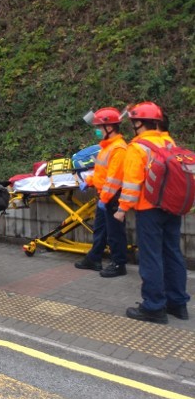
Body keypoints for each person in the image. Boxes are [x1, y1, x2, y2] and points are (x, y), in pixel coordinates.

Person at [115, 102, 190, 324]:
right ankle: (178, 304)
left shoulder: (137, 147)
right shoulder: (168, 142)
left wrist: (122, 209)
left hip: (149, 210)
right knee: (173, 253)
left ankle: (154, 307)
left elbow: (132, 183)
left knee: (151, 257)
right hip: (172, 207)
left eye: (134, 122)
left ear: (139, 123)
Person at [74, 107, 129, 277]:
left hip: (112, 197)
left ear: (109, 127)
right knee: (100, 230)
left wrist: (104, 199)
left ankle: (119, 264)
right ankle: (94, 258)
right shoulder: (107, 147)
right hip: (105, 196)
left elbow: (114, 179)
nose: (97, 130)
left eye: (99, 127)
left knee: (115, 233)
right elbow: (101, 173)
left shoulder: (118, 149)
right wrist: (89, 181)